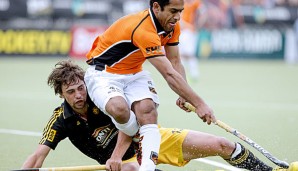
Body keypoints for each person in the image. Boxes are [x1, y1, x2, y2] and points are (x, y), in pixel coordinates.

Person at [22, 60, 285, 171]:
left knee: (221, 145)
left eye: (81, 87)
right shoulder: (59, 120)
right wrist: (117, 160)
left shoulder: (102, 97)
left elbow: (128, 124)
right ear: (61, 94)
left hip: (151, 139)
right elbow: (37, 156)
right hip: (124, 165)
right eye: (72, 91)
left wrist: (114, 155)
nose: (80, 94)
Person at [84, 0, 214, 170]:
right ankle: (138, 137)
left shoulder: (172, 25)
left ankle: (147, 167)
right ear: (156, 7)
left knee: (147, 110)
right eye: (173, 11)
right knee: (119, 109)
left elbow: (174, 61)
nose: (178, 17)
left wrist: (183, 94)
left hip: (134, 72)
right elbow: (168, 74)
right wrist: (199, 104)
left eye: (180, 11)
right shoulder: (143, 29)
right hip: (104, 74)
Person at [179, 0, 201, 82]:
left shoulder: (195, 3)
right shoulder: (181, 3)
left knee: (189, 54)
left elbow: (203, 13)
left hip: (188, 32)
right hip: (183, 31)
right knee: (182, 54)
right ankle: (183, 75)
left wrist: (196, 25)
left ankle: (194, 74)